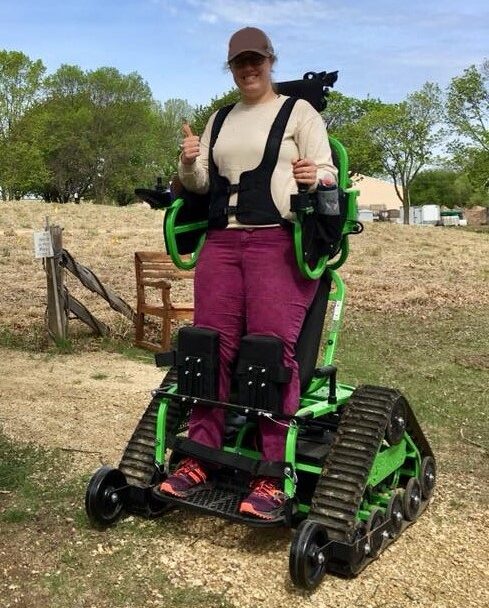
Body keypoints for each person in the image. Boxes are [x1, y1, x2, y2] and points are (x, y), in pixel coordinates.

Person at [157, 26, 337, 520]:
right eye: (240, 62)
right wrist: (188, 161)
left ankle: (271, 473)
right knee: (207, 345)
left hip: (278, 240)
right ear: (231, 67)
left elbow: (328, 172)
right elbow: (198, 184)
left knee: (268, 350)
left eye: (256, 60)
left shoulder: (300, 114)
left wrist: (312, 176)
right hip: (222, 241)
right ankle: (198, 457)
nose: (248, 68)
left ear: (270, 62)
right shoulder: (220, 120)